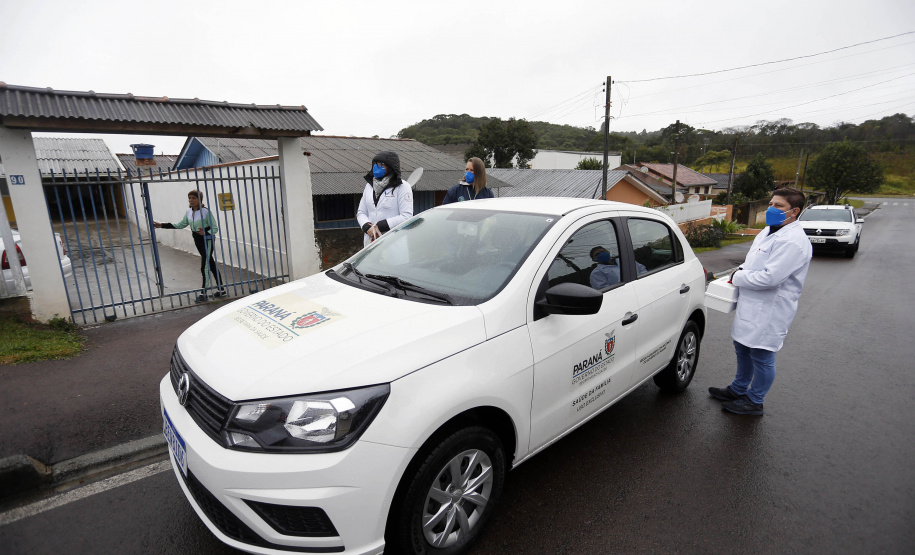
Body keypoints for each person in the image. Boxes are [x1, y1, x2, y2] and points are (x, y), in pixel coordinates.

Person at [709, 188, 812, 416]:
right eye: (771, 203)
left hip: (771, 309)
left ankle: (755, 401)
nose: (771, 209)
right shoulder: (768, 231)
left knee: (763, 356)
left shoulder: (793, 241)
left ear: (794, 211)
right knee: (742, 348)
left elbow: (771, 278)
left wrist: (738, 277)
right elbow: (752, 262)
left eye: (779, 206)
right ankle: (738, 389)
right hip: (751, 303)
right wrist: (740, 273)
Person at [154, 190, 227, 302]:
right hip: (197, 239)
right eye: (189, 198)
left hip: (206, 239)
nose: (191, 200)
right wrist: (162, 225)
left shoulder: (206, 212)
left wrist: (205, 232)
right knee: (210, 263)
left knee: (205, 266)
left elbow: (215, 228)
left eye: (194, 198)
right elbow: (180, 224)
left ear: (199, 199)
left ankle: (204, 293)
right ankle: (221, 290)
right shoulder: (189, 212)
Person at [356, 151, 414, 247]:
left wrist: (380, 226)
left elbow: (406, 216)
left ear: (391, 167)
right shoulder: (369, 186)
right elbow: (361, 212)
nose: (377, 167)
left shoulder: (403, 187)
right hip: (370, 242)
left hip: (393, 244)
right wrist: (367, 227)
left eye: (382, 164)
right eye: (376, 164)